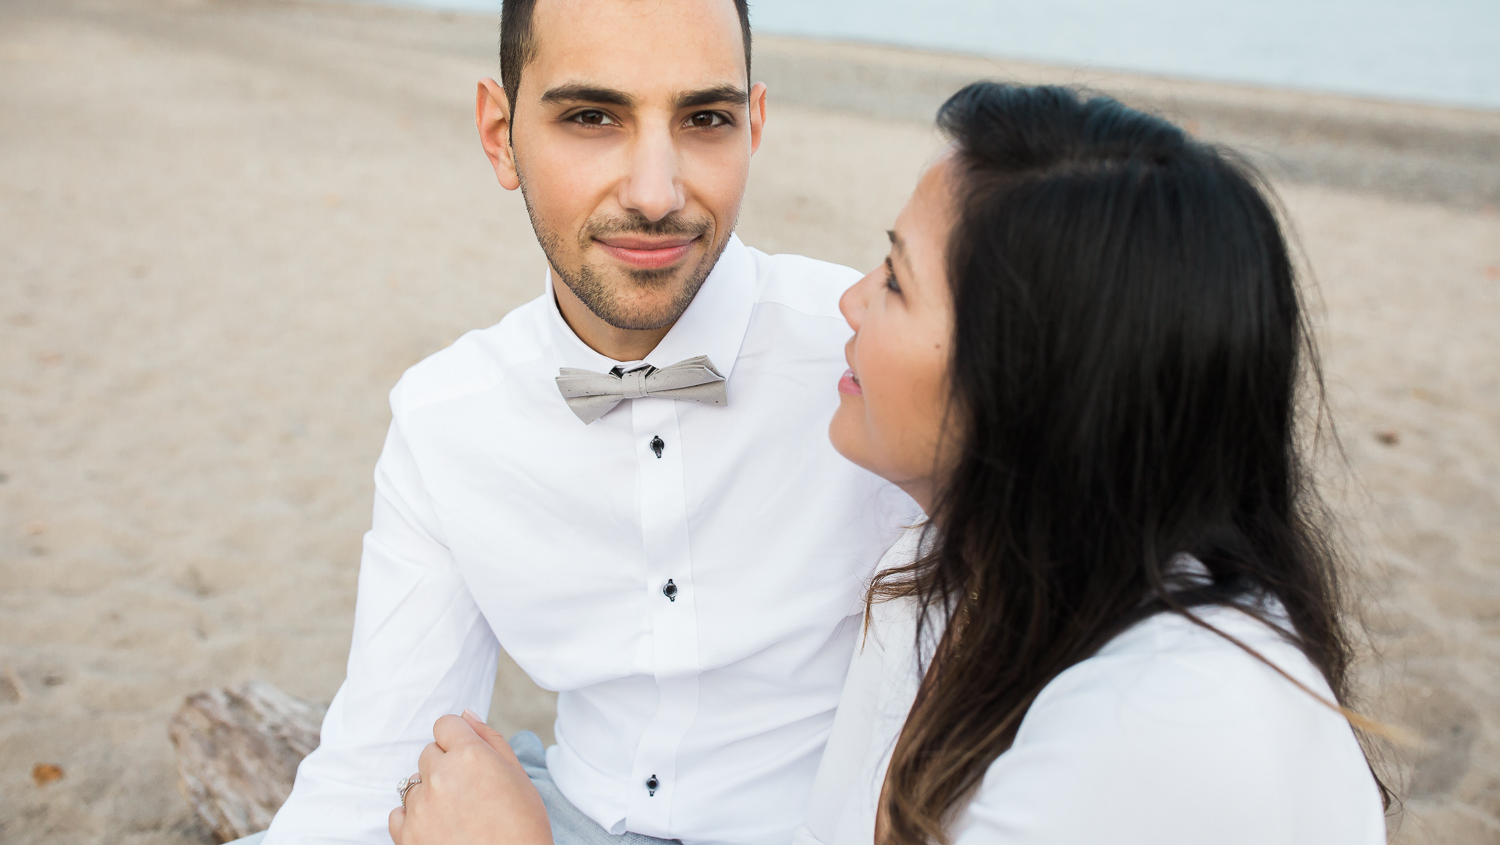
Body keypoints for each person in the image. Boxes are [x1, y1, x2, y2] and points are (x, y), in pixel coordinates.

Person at [389, 83, 1392, 844]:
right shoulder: (966, 574)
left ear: (1028, 380)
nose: (849, 304)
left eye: (898, 283)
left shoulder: (1166, 727)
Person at [261, 0, 915, 845]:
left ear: (755, 126)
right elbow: (379, 758)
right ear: (500, 134)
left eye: (705, 119)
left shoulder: (869, 357)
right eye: (592, 117)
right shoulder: (447, 418)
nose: (656, 192)